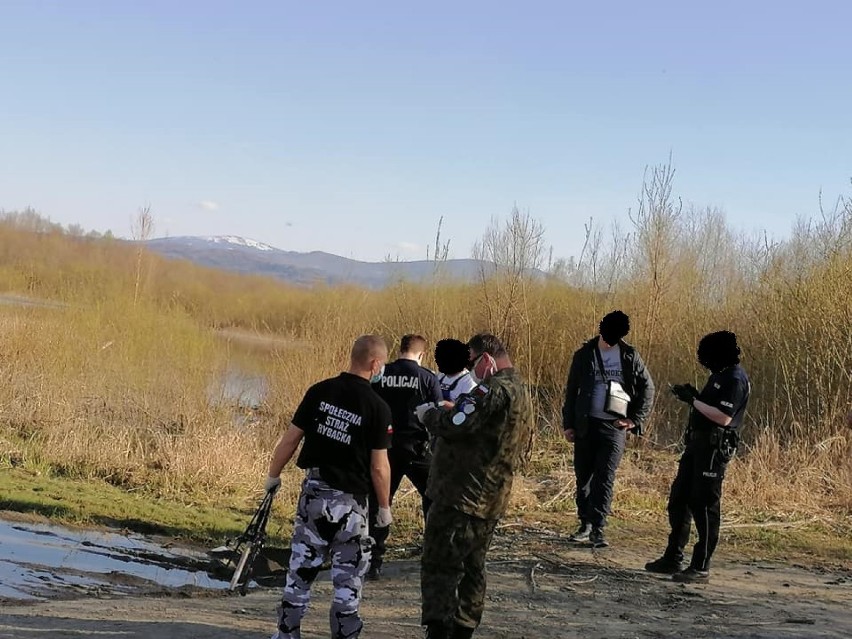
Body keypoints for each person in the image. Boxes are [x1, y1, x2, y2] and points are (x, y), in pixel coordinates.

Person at [264, 334, 393, 639]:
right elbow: (379, 467)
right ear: (375, 364)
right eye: (383, 364)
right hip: (352, 506)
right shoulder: (378, 407)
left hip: (314, 497)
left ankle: (286, 634)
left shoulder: (319, 391)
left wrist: (274, 475)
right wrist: (384, 508)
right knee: (347, 581)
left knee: (300, 573)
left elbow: (290, 440)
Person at [416, 333, 533, 639]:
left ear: (487, 359)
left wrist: (429, 414)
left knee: (441, 564)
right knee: (473, 566)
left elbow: (456, 424)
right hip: (493, 496)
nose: (471, 370)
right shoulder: (521, 389)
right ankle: (464, 627)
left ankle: (439, 628)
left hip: (461, 495)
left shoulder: (490, 390)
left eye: (473, 362)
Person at [645, 330, 750, 584]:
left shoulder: (735, 378)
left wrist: (693, 401)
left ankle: (701, 565)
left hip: (714, 450)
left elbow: (724, 417)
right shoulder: (719, 375)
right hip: (697, 446)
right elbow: (708, 407)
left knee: (704, 505)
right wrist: (694, 396)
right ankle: (673, 556)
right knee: (679, 499)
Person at [561, 310, 655, 548]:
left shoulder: (629, 356)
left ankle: (598, 528)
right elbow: (571, 391)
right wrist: (568, 424)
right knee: (584, 477)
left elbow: (648, 388)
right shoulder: (584, 355)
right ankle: (585, 524)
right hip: (585, 424)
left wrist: (634, 420)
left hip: (614, 427)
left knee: (605, 478)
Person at [367, 334, 443, 579]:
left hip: (385, 449)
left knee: (380, 502)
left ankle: (373, 562)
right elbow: (438, 415)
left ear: (400, 350)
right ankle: (433, 559)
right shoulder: (428, 378)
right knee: (434, 499)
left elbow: (369, 405)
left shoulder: (381, 373)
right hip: (419, 449)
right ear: (422, 354)